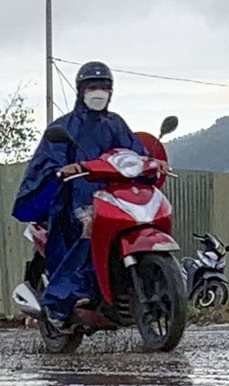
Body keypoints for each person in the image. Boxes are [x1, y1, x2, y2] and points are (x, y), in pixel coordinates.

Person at [13, 61, 139, 324]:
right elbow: (48, 161)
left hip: (116, 197)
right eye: (93, 86)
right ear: (80, 90)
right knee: (89, 225)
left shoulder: (116, 124)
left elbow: (134, 153)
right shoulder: (64, 127)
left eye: (104, 86)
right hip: (76, 200)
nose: (98, 92)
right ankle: (70, 294)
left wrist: (153, 161)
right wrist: (63, 170)